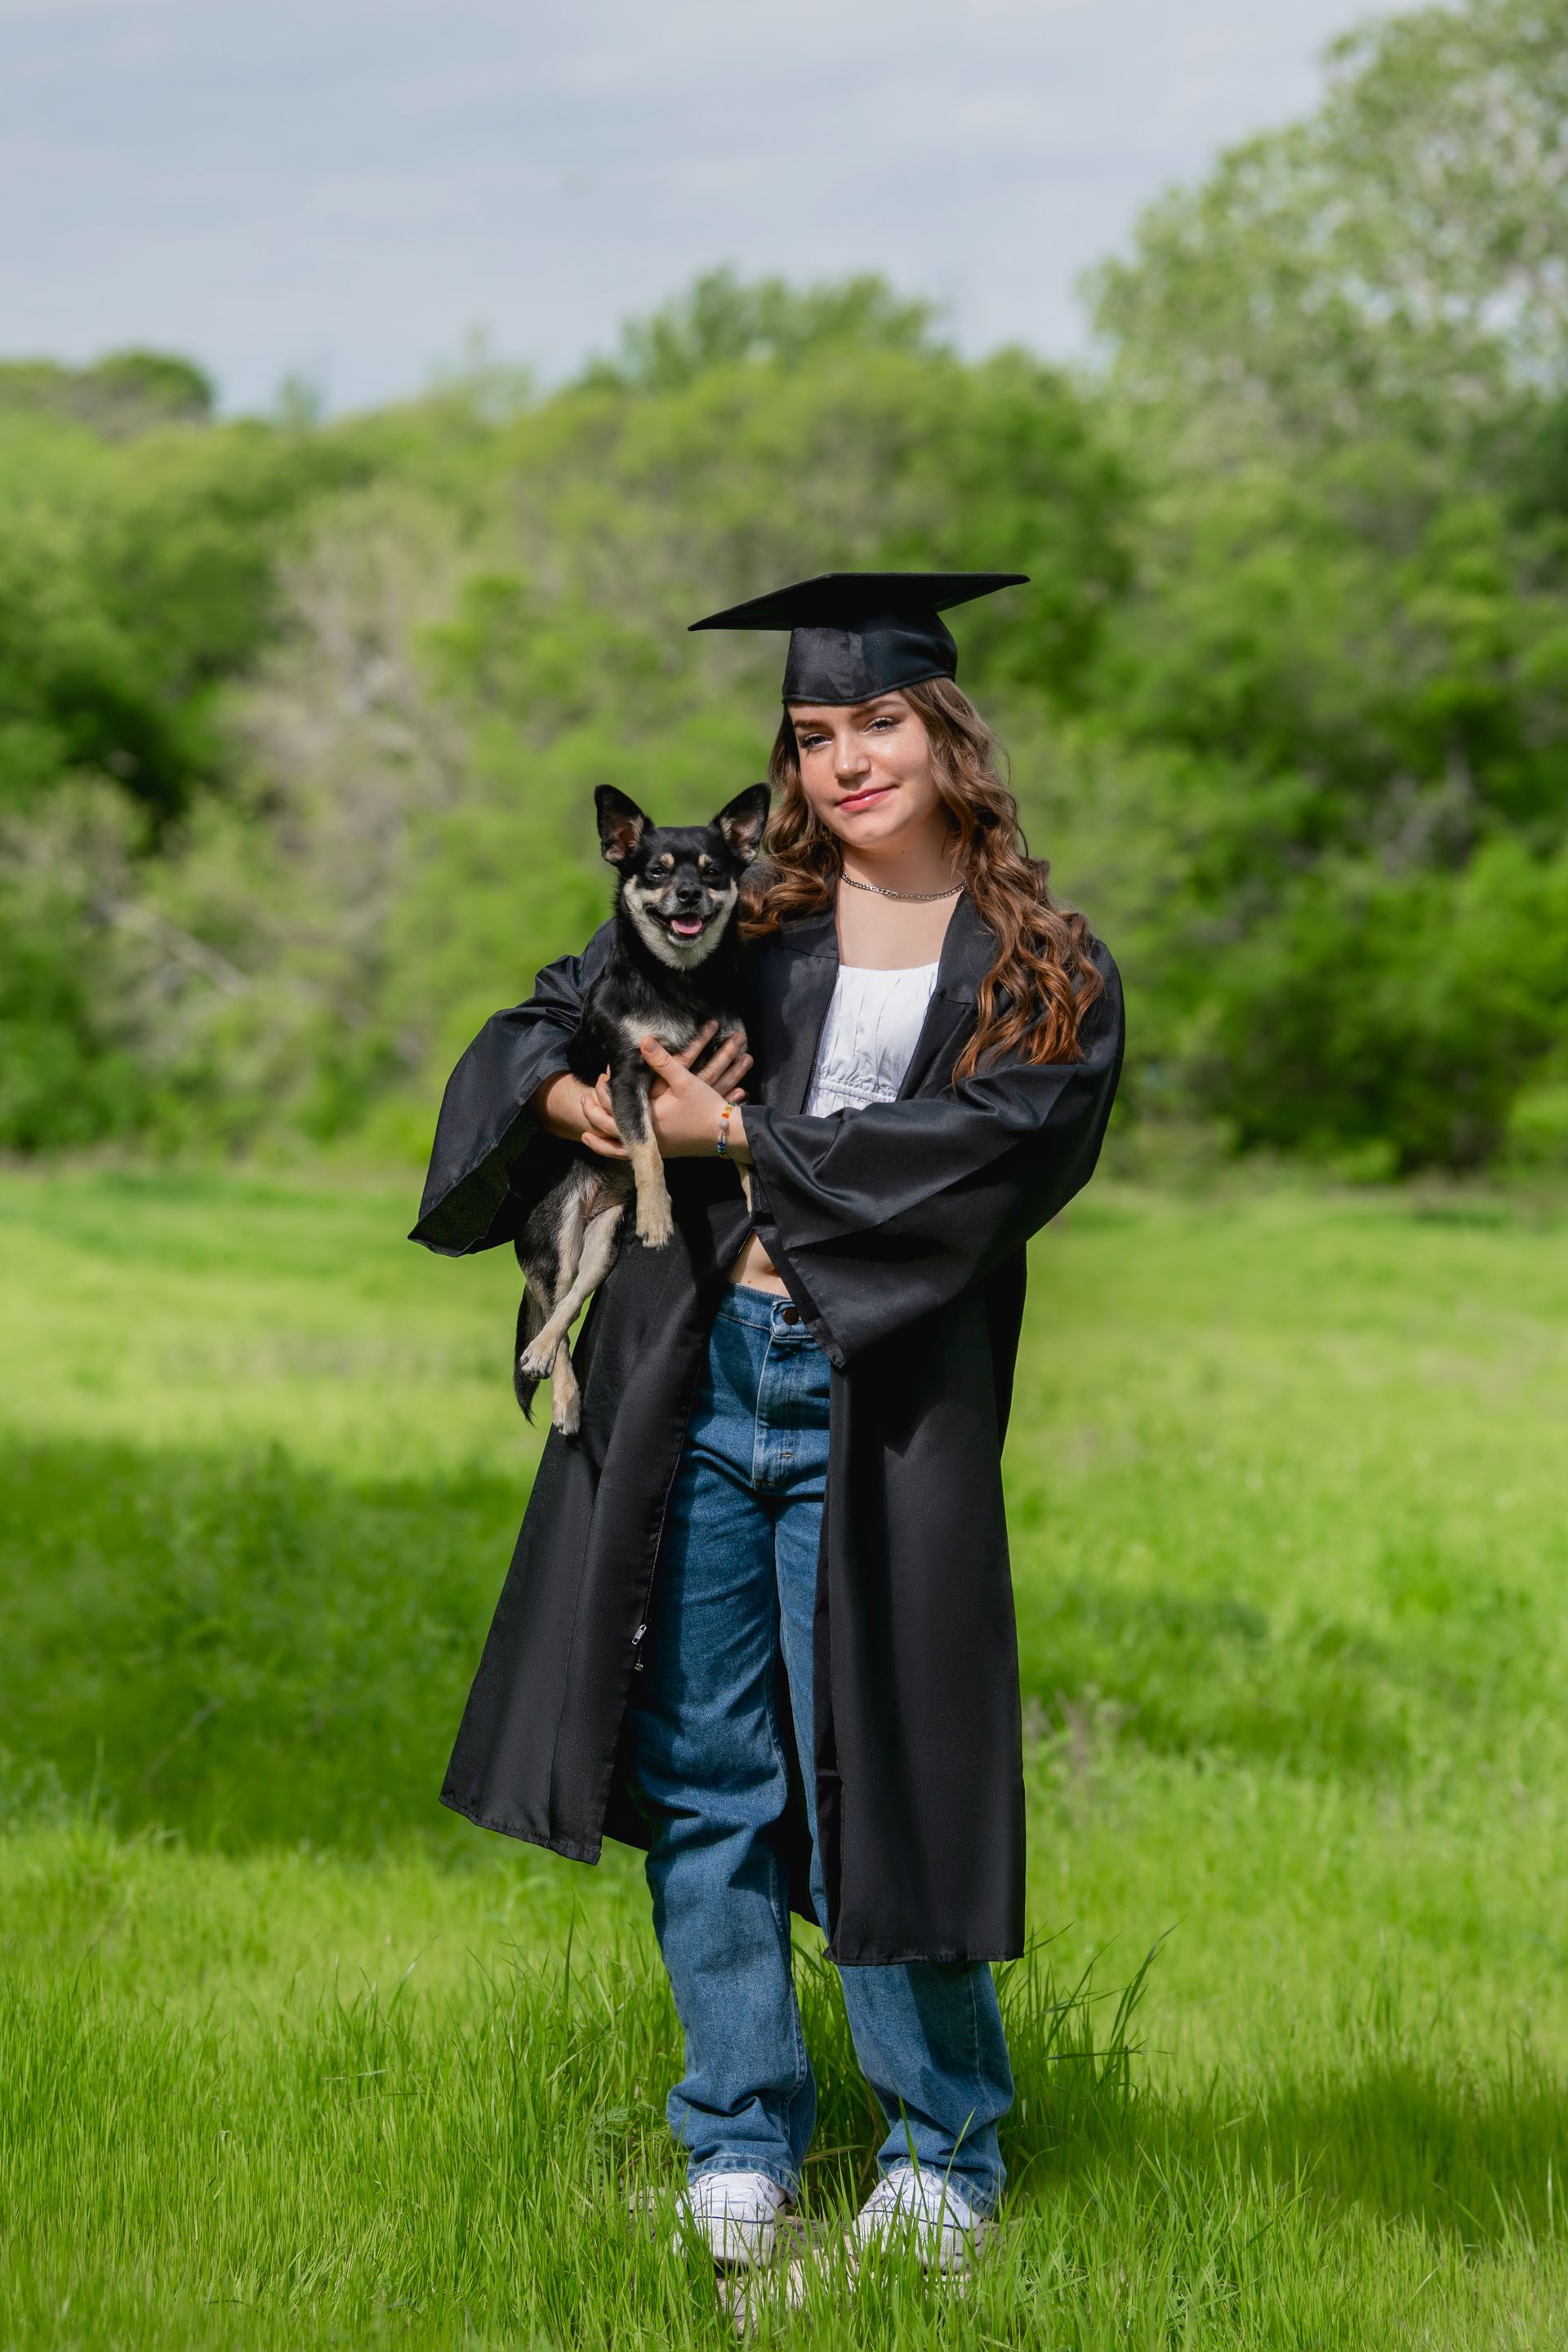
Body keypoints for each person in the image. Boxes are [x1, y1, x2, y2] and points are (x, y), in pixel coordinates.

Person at [412, 572, 1125, 2273]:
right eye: (812, 736)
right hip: (703, 1380)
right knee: (710, 1766)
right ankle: (738, 2127)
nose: (844, 761)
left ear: (947, 730)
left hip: (885, 1404)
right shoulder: (754, 922)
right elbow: (540, 1024)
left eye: (876, 721)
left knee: (878, 1757)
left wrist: (739, 1148)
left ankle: (944, 2150)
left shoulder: (1042, 963)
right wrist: (580, 1095)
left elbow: (992, 1159)